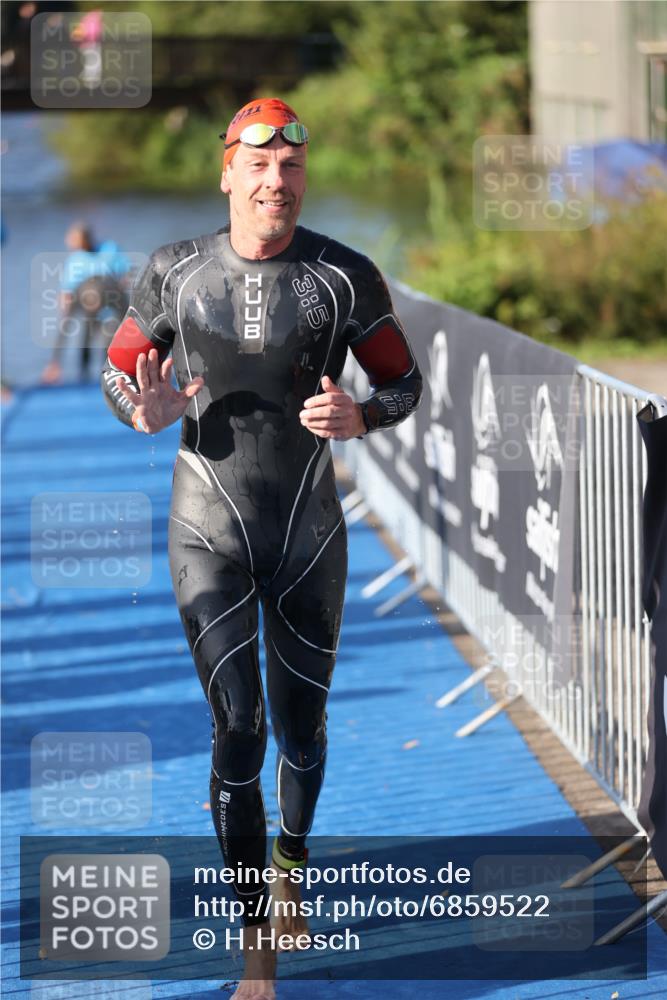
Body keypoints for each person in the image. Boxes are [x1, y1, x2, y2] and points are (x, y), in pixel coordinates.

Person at [100, 97, 422, 999]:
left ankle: (292, 864)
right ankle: (256, 951)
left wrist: (363, 416)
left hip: (308, 531)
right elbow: (119, 370)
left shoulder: (344, 275)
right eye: (258, 166)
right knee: (237, 729)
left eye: (290, 167)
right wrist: (142, 411)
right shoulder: (175, 271)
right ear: (227, 175)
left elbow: (404, 383)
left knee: (302, 732)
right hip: (207, 525)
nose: (275, 181)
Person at [42, 223, 130, 384]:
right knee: (74, 323)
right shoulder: (76, 258)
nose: (69, 243)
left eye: (73, 239)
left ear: (84, 239)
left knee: (115, 331)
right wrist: (67, 302)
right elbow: (66, 290)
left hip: (109, 296)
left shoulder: (109, 249)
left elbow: (126, 275)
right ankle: (57, 366)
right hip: (86, 299)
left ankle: (120, 368)